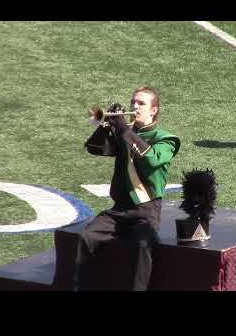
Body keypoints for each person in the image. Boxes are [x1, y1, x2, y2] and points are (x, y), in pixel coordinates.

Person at [75, 86, 180, 290]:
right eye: (133, 101)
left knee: (141, 246)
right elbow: (95, 149)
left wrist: (123, 129)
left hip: (146, 211)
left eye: (141, 103)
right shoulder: (126, 133)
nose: (134, 106)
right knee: (85, 237)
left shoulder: (166, 139)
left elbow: (150, 160)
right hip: (119, 209)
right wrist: (106, 127)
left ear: (154, 110)